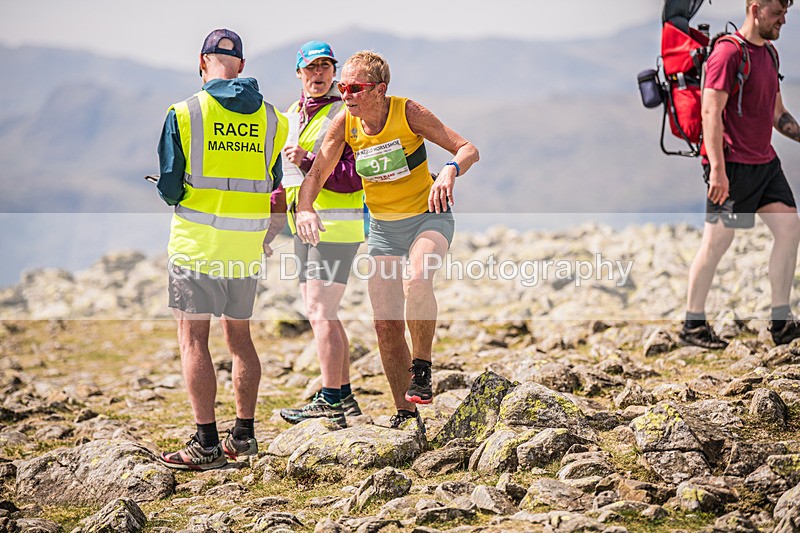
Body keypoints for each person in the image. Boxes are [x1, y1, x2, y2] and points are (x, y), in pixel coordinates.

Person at [294, 51, 479, 429]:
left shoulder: (407, 112)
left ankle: (422, 369)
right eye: (342, 86)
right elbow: (315, 174)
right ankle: (405, 413)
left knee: (417, 277)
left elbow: (467, 148)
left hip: (428, 218)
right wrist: (305, 208)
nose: (345, 94)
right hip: (383, 229)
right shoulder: (346, 124)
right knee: (385, 324)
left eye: (355, 87)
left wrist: (449, 171)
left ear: (379, 90)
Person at [155, 28, 288, 470]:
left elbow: (171, 185)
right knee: (241, 339)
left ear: (201, 61)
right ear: (242, 66)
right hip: (245, 247)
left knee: (194, 340)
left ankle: (206, 444)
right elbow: (272, 183)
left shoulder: (184, 112)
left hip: (196, 245)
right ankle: (244, 434)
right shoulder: (272, 119)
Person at [680, 0, 800, 349]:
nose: (783, 20)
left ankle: (781, 322)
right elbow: (710, 112)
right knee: (717, 244)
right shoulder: (727, 54)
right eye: (777, 12)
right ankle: (692, 324)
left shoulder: (770, 55)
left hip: (765, 164)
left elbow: (778, 115)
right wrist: (717, 170)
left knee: (789, 228)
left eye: (786, 13)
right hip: (731, 167)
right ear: (755, 8)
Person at [267, 41, 365, 426]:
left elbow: (354, 175)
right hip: (303, 226)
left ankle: (329, 400)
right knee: (321, 311)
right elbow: (284, 179)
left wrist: (309, 160)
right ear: (299, 74)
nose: (319, 74)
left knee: (321, 311)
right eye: (311, 68)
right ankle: (344, 396)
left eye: (326, 67)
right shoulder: (291, 114)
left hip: (336, 225)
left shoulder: (345, 113)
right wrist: (273, 225)